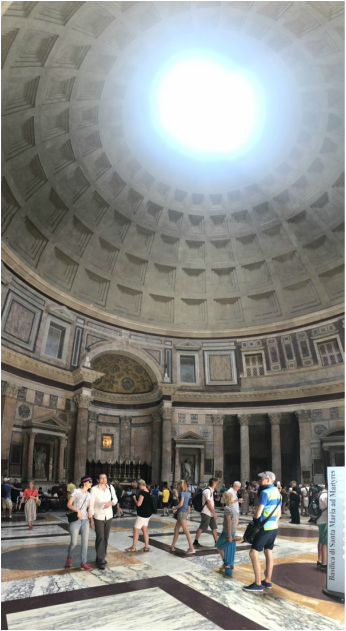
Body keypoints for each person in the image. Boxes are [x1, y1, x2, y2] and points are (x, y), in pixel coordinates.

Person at [243, 471, 282, 593]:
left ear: (269, 480)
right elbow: (279, 513)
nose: (260, 480)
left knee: (253, 553)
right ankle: (268, 581)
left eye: (262, 479)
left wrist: (256, 522)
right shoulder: (278, 492)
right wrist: (272, 522)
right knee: (268, 551)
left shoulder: (265, 492)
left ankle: (258, 583)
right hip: (273, 527)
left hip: (264, 528)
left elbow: (258, 512)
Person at [89, 473, 117, 570]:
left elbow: (116, 499)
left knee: (105, 537)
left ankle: (101, 556)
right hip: (98, 516)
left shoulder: (110, 487)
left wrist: (111, 502)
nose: (104, 479)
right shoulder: (94, 489)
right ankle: (101, 560)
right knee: (100, 537)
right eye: (102, 478)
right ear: (98, 480)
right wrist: (91, 519)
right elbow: (91, 505)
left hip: (109, 515)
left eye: (105, 478)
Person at [65, 476, 93, 571]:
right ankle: (69, 557)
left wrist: (89, 510)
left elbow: (88, 505)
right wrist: (78, 510)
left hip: (85, 520)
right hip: (76, 519)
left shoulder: (88, 494)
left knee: (85, 542)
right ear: (84, 482)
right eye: (90, 482)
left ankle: (83, 562)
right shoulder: (76, 491)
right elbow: (69, 504)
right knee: (74, 542)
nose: (91, 483)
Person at [216, 491, 240, 574]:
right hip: (232, 530)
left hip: (226, 531)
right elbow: (236, 519)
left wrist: (229, 535)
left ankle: (226, 563)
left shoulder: (227, 508)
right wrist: (234, 529)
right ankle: (227, 562)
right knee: (226, 547)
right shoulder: (233, 507)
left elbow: (229, 522)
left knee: (218, 545)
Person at [125, 479, 152, 552]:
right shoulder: (148, 491)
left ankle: (133, 547)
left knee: (136, 529)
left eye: (138, 485)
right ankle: (146, 547)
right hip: (148, 513)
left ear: (140, 485)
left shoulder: (142, 493)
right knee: (144, 530)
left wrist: (134, 499)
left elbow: (138, 504)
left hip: (142, 514)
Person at [169, 480, 195, 554]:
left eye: (178, 484)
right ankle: (172, 545)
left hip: (181, 512)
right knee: (176, 529)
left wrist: (174, 507)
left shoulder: (183, 493)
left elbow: (181, 504)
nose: (177, 486)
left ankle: (191, 548)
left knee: (186, 530)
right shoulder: (187, 493)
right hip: (183, 512)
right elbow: (184, 503)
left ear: (181, 485)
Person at [193, 478, 219, 548]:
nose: (216, 484)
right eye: (216, 483)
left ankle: (216, 542)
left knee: (214, 527)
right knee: (202, 527)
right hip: (206, 512)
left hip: (210, 512)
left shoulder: (210, 490)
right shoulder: (207, 491)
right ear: (213, 484)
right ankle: (195, 541)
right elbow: (208, 503)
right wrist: (214, 513)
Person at [316, 484, 328, 571]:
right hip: (325, 520)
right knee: (325, 542)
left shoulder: (320, 494)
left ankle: (319, 559)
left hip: (319, 519)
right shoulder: (327, 496)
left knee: (321, 540)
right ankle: (324, 563)